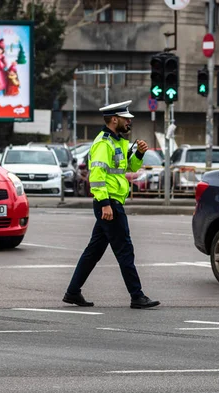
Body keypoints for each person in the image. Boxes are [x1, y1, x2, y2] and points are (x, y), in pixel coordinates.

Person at [63, 100, 161, 309]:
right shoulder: (103, 143)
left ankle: (72, 292)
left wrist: (139, 154)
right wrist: (105, 204)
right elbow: (96, 176)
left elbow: (128, 168)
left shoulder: (117, 142)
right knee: (125, 249)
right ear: (114, 119)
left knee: (93, 252)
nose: (129, 122)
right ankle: (137, 296)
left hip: (111, 202)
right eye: (126, 119)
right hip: (109, 204)